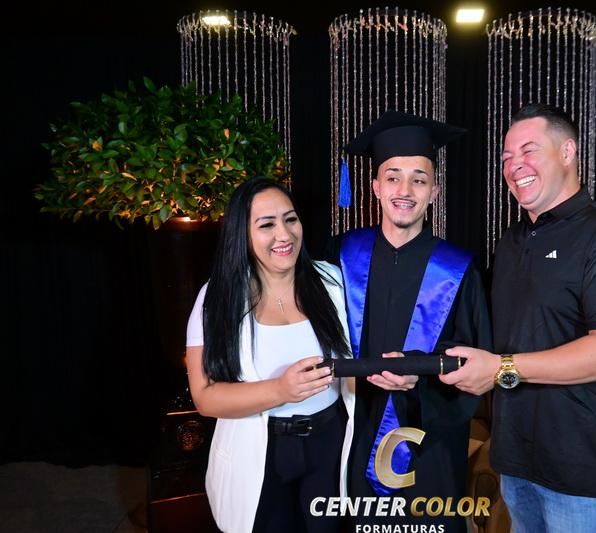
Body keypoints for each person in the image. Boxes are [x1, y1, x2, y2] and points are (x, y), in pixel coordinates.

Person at [441, 103, 596, 532]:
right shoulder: (512, 242)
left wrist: (500, 369)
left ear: (568, 152)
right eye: (507, 157)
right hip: (516, 460)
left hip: (580, 473)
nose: (514, 165)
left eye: (529, 151)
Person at [326, 110, 493, 532]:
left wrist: (420, 380)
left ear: (434, 191)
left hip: (429, 439)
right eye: (393, 177)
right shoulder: (340, 256)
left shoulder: (458, 270)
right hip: (354, 429)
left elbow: (476, 362)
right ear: (375, 187)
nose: (405, 190)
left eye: (419, 179)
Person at [185, 177, 355, 533]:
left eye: (290, 219)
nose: (284, 234)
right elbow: (205, 397)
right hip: (259, 450)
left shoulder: (332, 281)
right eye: (266, 225)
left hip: (329, 443)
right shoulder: (217, 298)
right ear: (242, 234)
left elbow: (352, 368)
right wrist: (280, 390)